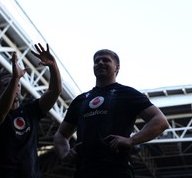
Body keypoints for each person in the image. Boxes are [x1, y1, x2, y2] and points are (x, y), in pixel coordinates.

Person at [54, 49, 169, 178]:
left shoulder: (127, 93)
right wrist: (64, 153)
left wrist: (131, 140)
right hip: (84, 170)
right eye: (96, 61)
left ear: (117, 67)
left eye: (106, 60)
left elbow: (160, 121)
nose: (100, 63)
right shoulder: (81, 100)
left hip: (116, 169)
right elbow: (61, 134)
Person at [0, 43, 62, 178]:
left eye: (18, 85)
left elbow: (55, 91)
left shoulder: (31, 111)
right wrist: (15, 78)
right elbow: (1, 112)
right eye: (7, 85)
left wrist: (53, 65)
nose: (15, 87)